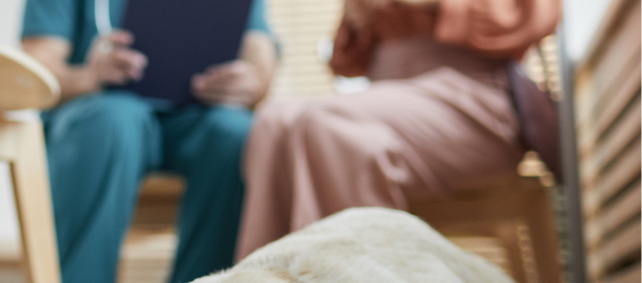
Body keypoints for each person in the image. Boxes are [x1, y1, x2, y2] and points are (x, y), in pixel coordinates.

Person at [21, 0, 279, 283]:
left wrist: (251, 81)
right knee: (113, 121)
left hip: (196, 116)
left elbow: (260, 56)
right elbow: (36, 70)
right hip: (98, 114)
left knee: (238, 135)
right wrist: (89, 74)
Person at [235, 0, 560, 259]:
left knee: (329, 128)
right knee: (272, 123)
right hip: (389, 97)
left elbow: (538, 16)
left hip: (472, 93)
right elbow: (346, 61)